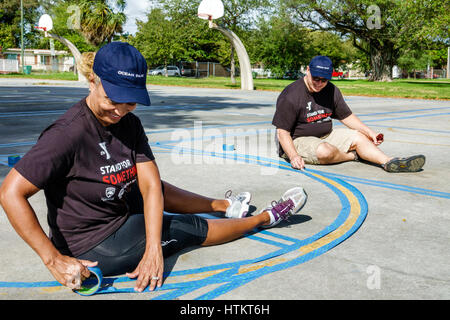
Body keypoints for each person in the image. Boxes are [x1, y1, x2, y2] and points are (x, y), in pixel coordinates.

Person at [0, 42, 308, 293]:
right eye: (112, 99)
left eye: (130, 102)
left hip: (111, 203)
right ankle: (267, 217)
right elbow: (10, 192)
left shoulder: (129, 124)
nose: (120, 110)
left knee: (150, 189)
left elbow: (150, 184)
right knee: (183, 227)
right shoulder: (67, 134)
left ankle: (226, 206)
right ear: (92, 81)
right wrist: (53, 260)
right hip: (96, 243)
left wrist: (152, 246)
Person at [272, 55, 426, 173]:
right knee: (325, 151)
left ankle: (389, 162)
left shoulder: (331, 90)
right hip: (297, 140)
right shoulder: (291, 95)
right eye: (316, 78)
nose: (319, 83)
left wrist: (369, 132)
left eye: (324, 80)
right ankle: (353, 156)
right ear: (307, 70)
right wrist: (293, 156)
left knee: (359, 137)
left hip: (325, 135)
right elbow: (282, 132)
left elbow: (346, 116)